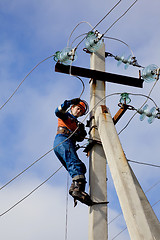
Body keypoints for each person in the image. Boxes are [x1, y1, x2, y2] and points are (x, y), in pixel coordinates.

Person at [54, 98, 92, 206]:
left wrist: (82, 131)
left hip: (65, 143)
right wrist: (69, 102)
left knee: (80, 167)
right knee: (75, 165)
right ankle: (77, 190)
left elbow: (80, 137)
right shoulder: (67, 116)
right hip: (63, 140)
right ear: (72, 108)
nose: (79, 112)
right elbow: (58, 111)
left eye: (81, 111)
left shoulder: (76, 124)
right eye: (78, 108)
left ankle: (75, 188)